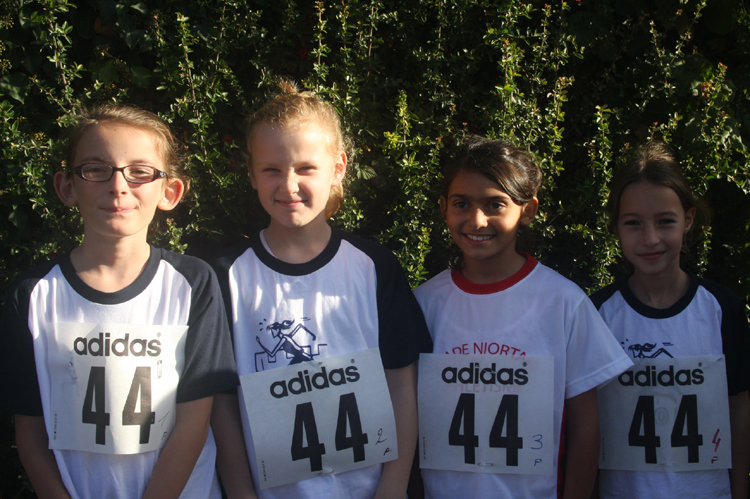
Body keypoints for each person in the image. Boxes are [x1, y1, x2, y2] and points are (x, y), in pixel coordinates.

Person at [0, 105, 238, 498]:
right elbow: (30, 430)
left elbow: (194, 420)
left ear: (169, 191)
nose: (118, 186)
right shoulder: (32, 294)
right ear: (67, 187)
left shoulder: (192, 284)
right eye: (96, 169)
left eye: (140, 171)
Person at [211, 80, 433, 499]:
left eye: (305, 168)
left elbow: (402, 383)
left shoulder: (374, 267)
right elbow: (221, 402)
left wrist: (393, 487)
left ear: (338, 168)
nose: (288, 184)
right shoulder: (225, 275)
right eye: (271, 169)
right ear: (251, 174)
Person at [413, 136, 631, 499]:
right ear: (443, 207)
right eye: (461, 204)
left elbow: (585, 425)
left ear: (527, 211)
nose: (476, 220)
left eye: (495, 204)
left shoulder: (564, 302)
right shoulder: (423, 303)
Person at [591, 142, 750, 499]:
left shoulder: (721, 308)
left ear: (688, 219)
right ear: (616, 226)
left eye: (665, 221)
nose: (650, 239)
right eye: (633, 223)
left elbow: (739, 406)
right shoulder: (597, 313)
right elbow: (584, 419)